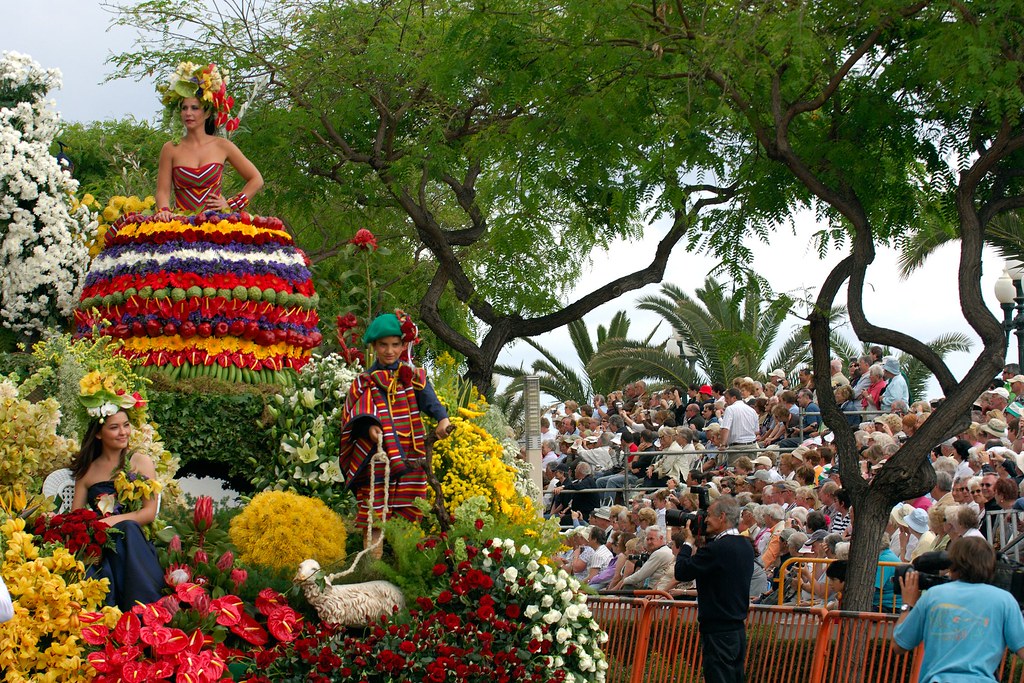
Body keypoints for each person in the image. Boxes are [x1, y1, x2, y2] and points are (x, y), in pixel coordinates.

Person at [338, 312, 451, 540]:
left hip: (411, 453)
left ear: (403, 346)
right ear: (374, 346)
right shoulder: (364, 381)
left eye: (395, 345)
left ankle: (403, 564)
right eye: (383, 345)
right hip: (377, 457)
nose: (389, 351)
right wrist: (368, 429)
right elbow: (353, 415)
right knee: (375, 511)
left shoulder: (414, 376)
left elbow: (430, 401)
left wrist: (443, 419)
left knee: (408, 511)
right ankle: (372, 561)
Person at [71, 376, 163, 612]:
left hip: (133, 547)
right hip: (99, 546)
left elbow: (149, 512)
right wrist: (97, 529)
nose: (123, 432)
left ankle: (140, 611)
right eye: (114, 427)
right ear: (99, 434)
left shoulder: (139, 462)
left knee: (128, 530)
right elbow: (76, 517)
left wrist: (113, 521)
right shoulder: (88, 471)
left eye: (126, 425)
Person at [894, 536, 1024, 681]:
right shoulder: (1004, 601)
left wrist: (908, 604)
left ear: (954, 563)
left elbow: (899, 645)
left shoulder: (934, 596)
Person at [153, 62, 262, 220]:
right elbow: (162, 191)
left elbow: (256, 179)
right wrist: (164, 211)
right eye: (184, 108)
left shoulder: (222, 146)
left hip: (217, 225)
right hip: (181, 226)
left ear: (207, 113)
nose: (188, 113)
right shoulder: (170, 148)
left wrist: (231, 205)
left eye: (194, 108)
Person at [674, 496, 755, 683]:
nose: (705, 519)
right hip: (736, 630)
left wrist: (688, 541)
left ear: (722, 517)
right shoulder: (745, 545)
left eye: (708, 515)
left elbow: (681, 571)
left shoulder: (718, 549)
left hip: (718, 632)